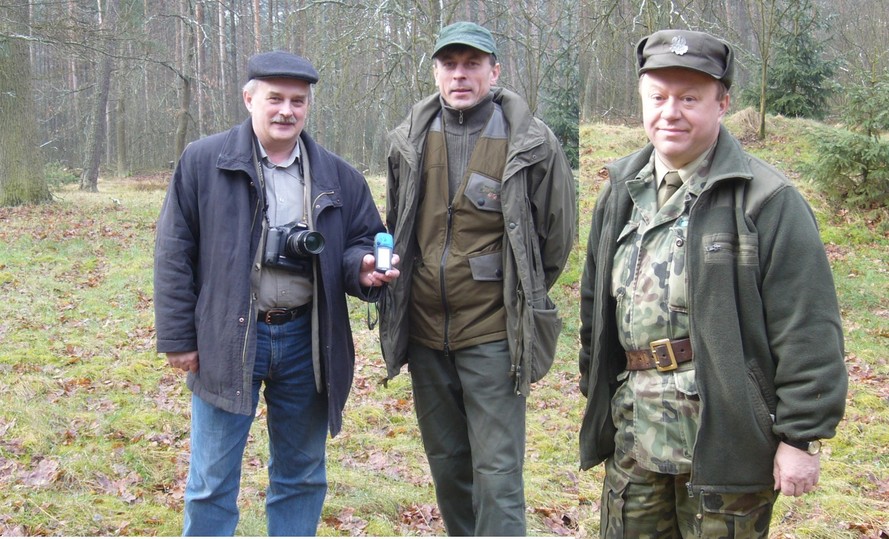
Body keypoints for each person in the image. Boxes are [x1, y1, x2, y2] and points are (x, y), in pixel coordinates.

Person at [578, 29, 847, 538]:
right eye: (658, 97)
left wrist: (800, 437)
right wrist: (595, 390)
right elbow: (596, 305)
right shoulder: (619, 192)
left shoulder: (766, 200)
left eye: (690, 98)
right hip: (634, 433)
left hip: (726, 443)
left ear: (722, 103)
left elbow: (807, 325)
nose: (670, 112)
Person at [153, 50, 399, 536]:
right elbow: (173, 252)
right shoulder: (204, 162)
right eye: (275, 99)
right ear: (249, 99)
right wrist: (179, 336)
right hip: (228, 339)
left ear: (308, 106)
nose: (287, 110)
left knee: (302, 476)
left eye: (298, 101)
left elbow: (359, 242)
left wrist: (365, 269)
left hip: (307, 342)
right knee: (210, 481)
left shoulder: (338, 175)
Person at [378, 21, 576, 536]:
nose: (460, 75)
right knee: (447, 464)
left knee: (498, 473)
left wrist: (517, 293)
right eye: (450, 64)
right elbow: (397, 222)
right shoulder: (408, 140)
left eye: (472, 64)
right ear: (436, 72)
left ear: (495, 70)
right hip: (424, 331)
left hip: (493, 334)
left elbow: (556, 240)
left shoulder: (532, 142)